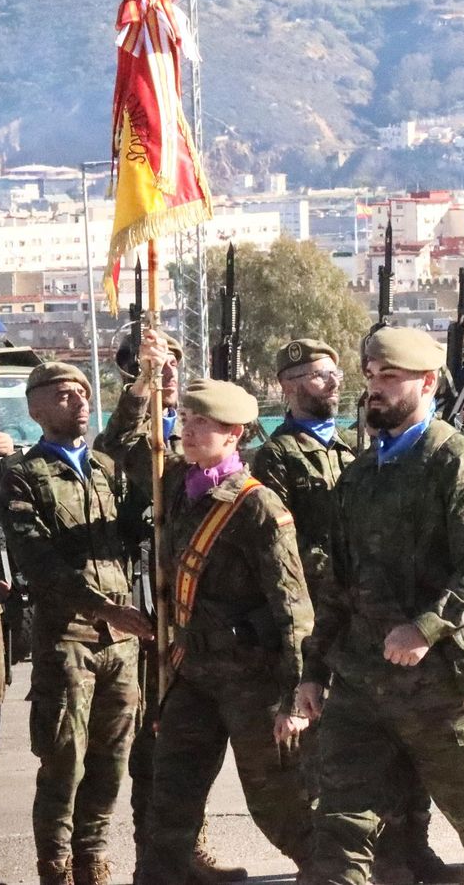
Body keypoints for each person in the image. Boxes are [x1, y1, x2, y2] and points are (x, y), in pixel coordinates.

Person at [300, 326, 464, 885]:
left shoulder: (457, 464)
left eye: (390, 378)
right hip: (361, 680)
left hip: (441, 683)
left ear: (427, 383)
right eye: (371, 376)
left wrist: (426, 628)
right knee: (341, 824)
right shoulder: (357, 475)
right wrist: (313, 671)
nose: (375, 389)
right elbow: (337, 585)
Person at [252, 338, 458, 885]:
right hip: (332, 612)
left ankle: (411, 852)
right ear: (290, 386)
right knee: (337, 761)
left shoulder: (359, 444)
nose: (336, 383)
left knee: (403, 751)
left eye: (338, 373)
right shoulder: (277, 457)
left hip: (386, 615)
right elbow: (284, 545)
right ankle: (335, 865)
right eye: (320, 376)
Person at [132, 345, 315, 884]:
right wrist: (147, 382)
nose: (187, 432)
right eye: (185, 421)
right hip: (192, 674)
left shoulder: (258, 506)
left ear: (235, 434)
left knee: (276, 802)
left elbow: (292, 607)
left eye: (202, 424)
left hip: (251, 680)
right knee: (170, 798)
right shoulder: (174, 487)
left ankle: (331, 871)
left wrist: (295, 694)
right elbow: (117, 446)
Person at [96, 330, 244, 882]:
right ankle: (153, 864)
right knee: (151, 744)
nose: (168, 374)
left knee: (188, 747)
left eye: (173, 365)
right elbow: (111, 452)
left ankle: (188, 852)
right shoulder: (141, 441)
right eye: (154, 366)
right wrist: (141, 388)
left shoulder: (203, 431)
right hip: (149, 603)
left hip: (201, 612)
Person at [3, 362, 151, 885]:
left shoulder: (105, 468)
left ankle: (93, 858)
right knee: (64, 759)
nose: (80, 401)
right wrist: (106, 608)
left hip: (121, 641)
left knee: (112, 759)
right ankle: (57, 867)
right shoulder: (24, 475)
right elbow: (39, 562)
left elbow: (135, 527)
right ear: (36, 408)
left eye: (85, 393)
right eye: (65, 395)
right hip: (69, 637)